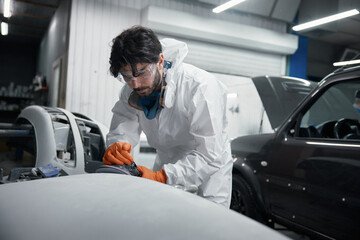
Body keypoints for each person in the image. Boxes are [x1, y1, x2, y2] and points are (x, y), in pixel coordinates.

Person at [103, 26, 233, 207]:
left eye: (142, 73)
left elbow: (210, 155)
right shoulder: (130, 90)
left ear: (160, 62)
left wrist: (163, 176)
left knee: (209, 224)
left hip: (209, 169)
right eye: (126, 76)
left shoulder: (199, 87)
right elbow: (123, 125)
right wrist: (118, 146)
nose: (135, 84)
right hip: (167, 159)